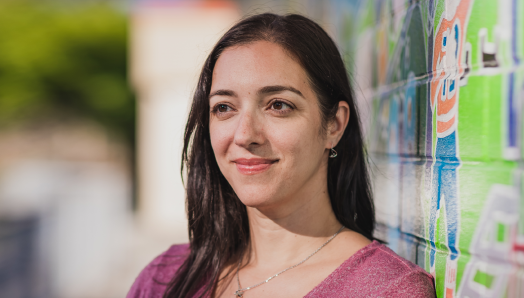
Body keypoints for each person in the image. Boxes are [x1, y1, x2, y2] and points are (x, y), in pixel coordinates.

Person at [127, 13, 435, 298]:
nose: (245, 134)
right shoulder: (165, 279)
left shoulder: (386, 290)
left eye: (278, 105)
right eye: (224, 107)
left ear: (334, 125)